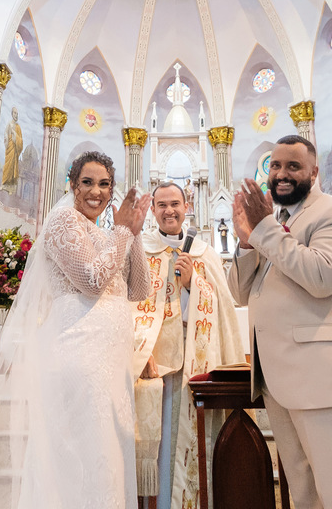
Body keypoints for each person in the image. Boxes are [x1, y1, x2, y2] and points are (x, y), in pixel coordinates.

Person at [0, 151, 152, 509]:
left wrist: (133, 233)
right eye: (87, 182)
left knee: (109, 458)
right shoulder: (63, 223)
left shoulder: (111, 234)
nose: (96, 191)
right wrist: (123, 231)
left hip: (111, 363)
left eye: (104, 183)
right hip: (79, 354)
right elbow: (91, 281)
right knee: (83, 458)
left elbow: (139, 290)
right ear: (73, 186)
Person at [228, 135, 332, 509]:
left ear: (314, 173)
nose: (282, 174)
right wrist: (248, 242)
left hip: (328, 380)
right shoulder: (274, 224)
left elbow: (323, 276)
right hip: (283, 382)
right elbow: (239, 293)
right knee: (306, 495)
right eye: (275, 166)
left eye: (293, 166)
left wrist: (264, 229)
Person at [132, 182, 245, 509]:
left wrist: (192, 283)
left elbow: (224, 306)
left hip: (196, 356)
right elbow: (128, 305)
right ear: (153, 210)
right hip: (152, 360)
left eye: (175, 204)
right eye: (162, 204)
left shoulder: (204, 253)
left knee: (190, 438)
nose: (169, 210)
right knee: (160, 441)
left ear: (187, 206)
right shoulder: (141, 249)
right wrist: (140, 350)